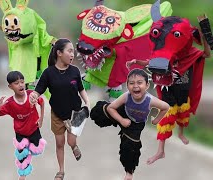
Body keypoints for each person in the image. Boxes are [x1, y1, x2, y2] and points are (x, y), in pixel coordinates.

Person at [126, 22, 211, 165]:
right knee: (166, 119)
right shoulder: (166, 53)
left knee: (183, 113)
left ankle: (181, 134)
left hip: (184, 90)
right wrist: (138, 62)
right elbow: (150, 62)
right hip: (169, 92)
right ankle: (161, 151)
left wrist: (204, 39)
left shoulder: (192, 53)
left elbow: (207, 54)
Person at [90, 69, 169, 180]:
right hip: (123, 113)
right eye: (131, 83)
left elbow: (165, 107)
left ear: (147, 85)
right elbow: (111, 107)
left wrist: (156, 120)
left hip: (136, 125)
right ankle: (85, 113)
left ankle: (129, 173)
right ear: (127, 86)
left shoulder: (150, 100)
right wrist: (121, 120)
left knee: (130, 148)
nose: (135, 86)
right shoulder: (126, 96)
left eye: (139, 83)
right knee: (100, 110)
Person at [29, 38, 90, 180]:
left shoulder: (75, 71)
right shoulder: (48, 73)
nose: (72, 54)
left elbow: (81, 90)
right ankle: (61, 171)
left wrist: (87, 102)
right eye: (69, 51)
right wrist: (33, 95)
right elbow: (38, 90)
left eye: (73, 51)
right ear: (59, 53)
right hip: (57, 114)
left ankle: (74, 146)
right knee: (60, 143)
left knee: (71, 142)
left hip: (76, 114)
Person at [0, 71, 46, 180]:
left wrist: (41, 118)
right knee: (22, 154)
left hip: (33, 129)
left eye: (22, 82)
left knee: (37, 148)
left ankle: (30, 150)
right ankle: (22, 176)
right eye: (16, 83)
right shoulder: (9, 103)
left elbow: (42, 103)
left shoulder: (31, 95)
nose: (21, 85)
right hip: (20, 133)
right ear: (10, 86)